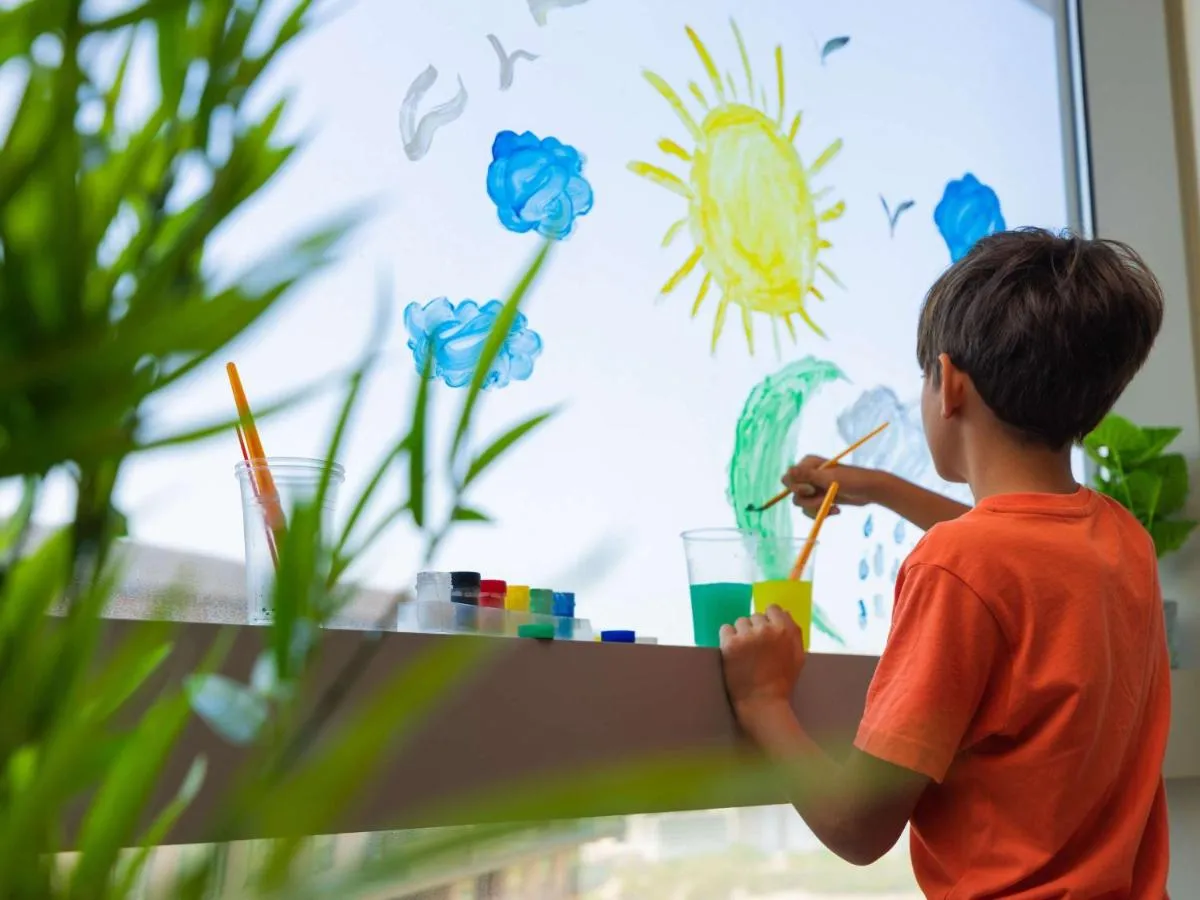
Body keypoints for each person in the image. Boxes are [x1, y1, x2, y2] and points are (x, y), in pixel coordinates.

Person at [720, 228, 1171, 897]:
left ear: (949, 385)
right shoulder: (1122, 539)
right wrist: (877, 486)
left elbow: (857, 827)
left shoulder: (955, 565)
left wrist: (762, 701)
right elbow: (1019, 551)